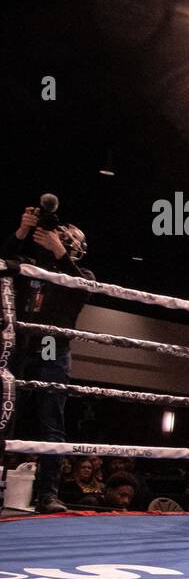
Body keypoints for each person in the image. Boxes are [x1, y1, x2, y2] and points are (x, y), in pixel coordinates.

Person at [1, 209, 93, 514]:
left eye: (65, 239)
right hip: (22, 345)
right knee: (5, 414)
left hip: (54, 348)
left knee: (51, 420)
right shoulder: (33, 267)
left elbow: (80, 289)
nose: (58, 240)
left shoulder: (83, 275)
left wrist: (59, 252)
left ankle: (47, 495)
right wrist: (22, 230)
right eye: (57, 236)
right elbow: (4, 262)